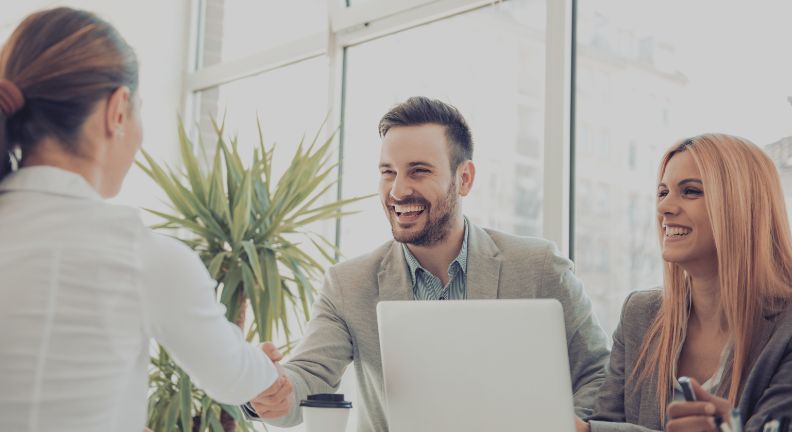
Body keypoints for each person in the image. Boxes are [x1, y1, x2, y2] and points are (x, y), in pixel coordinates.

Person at [0, 8, 291, 432]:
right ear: (117, 111)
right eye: (138, 110)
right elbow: (232, 376)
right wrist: (263, 372)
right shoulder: (136, 254)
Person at [245, 96, 610, 431]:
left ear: (464, 178)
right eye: (388, 171)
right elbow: (309, 376)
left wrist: (561, 426)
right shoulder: (348, 284)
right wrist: (271, 388)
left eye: (418, 170)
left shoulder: (540, 267)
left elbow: (598, 375)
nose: (398, 190)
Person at [581, 134, 792, 432]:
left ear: (742, 205)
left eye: (690, 191)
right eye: (662, 192)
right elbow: (604, 423)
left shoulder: (785, 329)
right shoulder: (640, 315)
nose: (665, 208)